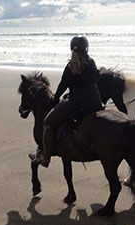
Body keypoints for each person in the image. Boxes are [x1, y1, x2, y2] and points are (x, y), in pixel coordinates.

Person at [31, 35, 104, 167]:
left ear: (72, 49)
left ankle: (46, 157)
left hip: (76, 104)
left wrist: (55, 98)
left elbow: (62, 85)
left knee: (48, 123)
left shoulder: (71, 66)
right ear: (86, 48)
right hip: (95, 103)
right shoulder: (92, 62)